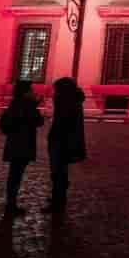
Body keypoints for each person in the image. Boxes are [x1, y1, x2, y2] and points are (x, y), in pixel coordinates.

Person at [0, 80, 44, 217]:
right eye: (30, 90)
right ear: (25, 93)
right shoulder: (27, 105)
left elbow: (4, 124)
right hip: (23, 145)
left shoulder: (15, 104)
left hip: (14, 143)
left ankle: (10, 203)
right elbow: (38, 121)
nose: (33, 92)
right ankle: (11, 205)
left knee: (14, 175)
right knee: (16, 176)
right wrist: (34, 106)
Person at [44, 76, 86, 213]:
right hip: (68, 140)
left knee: (57, 172)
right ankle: (59, 198)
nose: (54, 93)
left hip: (61, 141)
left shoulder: (65, 102)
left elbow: (61, 122)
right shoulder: (75, 100)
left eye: (57, 90)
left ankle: (58, 201)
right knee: (61, 171)